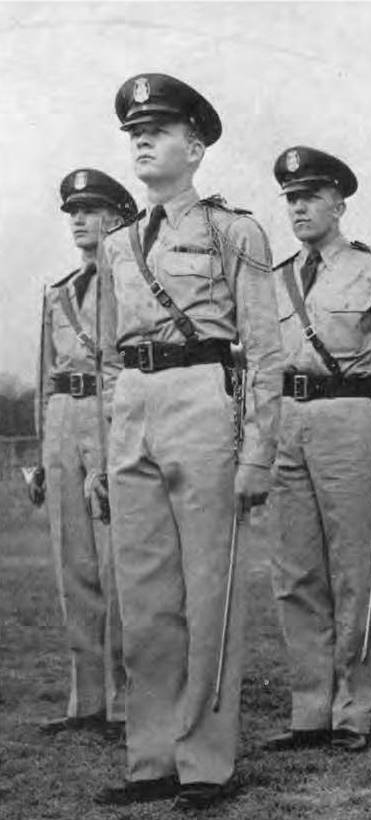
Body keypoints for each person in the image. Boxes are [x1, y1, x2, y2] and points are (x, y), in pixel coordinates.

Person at [93, 74, 283, 810]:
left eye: (159, 130)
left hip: (205, 399)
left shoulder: (235, 231)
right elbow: (111, 356)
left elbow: (264, 353)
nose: (141, 140)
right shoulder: (116, 245)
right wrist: (110, 442)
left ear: (195, 146)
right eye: (135, 131)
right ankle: (150, 762)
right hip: (134, 407)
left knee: (209, 595)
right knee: (142, 602)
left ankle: (205, 763)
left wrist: (259, 452)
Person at [265, 146, 371, 753]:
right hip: (286, 420)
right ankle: (309, 710)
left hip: (348, 416)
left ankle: (352, 712)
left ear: (339, 203)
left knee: (353, 571)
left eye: (311, 196)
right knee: (295, 572)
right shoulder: (274, 280)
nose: (299, 208)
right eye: (291, 199)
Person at [31, 168, 136, 739]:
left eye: (91, 210)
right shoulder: (58, 291)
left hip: (109, 414)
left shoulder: (127, 282)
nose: (78, 220)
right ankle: (86, 701)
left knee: (116, 563)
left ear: (118, 219)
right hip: (63, 423)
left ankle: (124, 701)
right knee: (72, 563)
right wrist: (42, 455)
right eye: (73, 211)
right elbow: (48, 373)